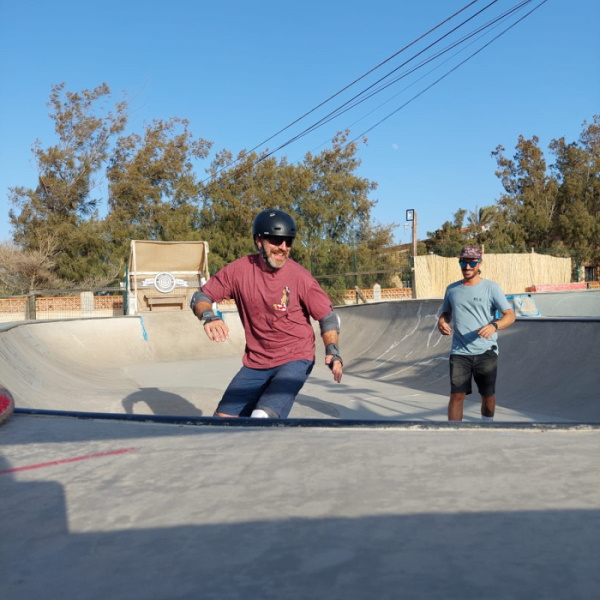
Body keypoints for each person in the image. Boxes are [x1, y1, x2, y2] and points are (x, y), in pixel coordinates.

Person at [190, 208, 343, 419]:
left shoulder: (301, 277)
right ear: (259, 241)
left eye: (288, 242)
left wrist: (333, 351)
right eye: (276, 241)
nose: (283, 248)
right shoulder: (239, 271)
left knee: (261, 416)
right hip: (257, 362)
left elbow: (328, 317)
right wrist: (208, 316)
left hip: (295, 358)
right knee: (221, 422)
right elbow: (200, 297)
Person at [437, 245, 515, 422]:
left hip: (486, 352)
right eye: (463, 262)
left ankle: (487, 427)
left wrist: (494, 326)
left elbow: (510, 315)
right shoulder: (452, 289)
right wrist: (441, 321)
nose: (467, 267)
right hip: (459, 352)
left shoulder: (491, 288)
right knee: (456, 395)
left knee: (487, 394)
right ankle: (454, 434)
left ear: (480, 263)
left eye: (472, 263)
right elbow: (446, 313)